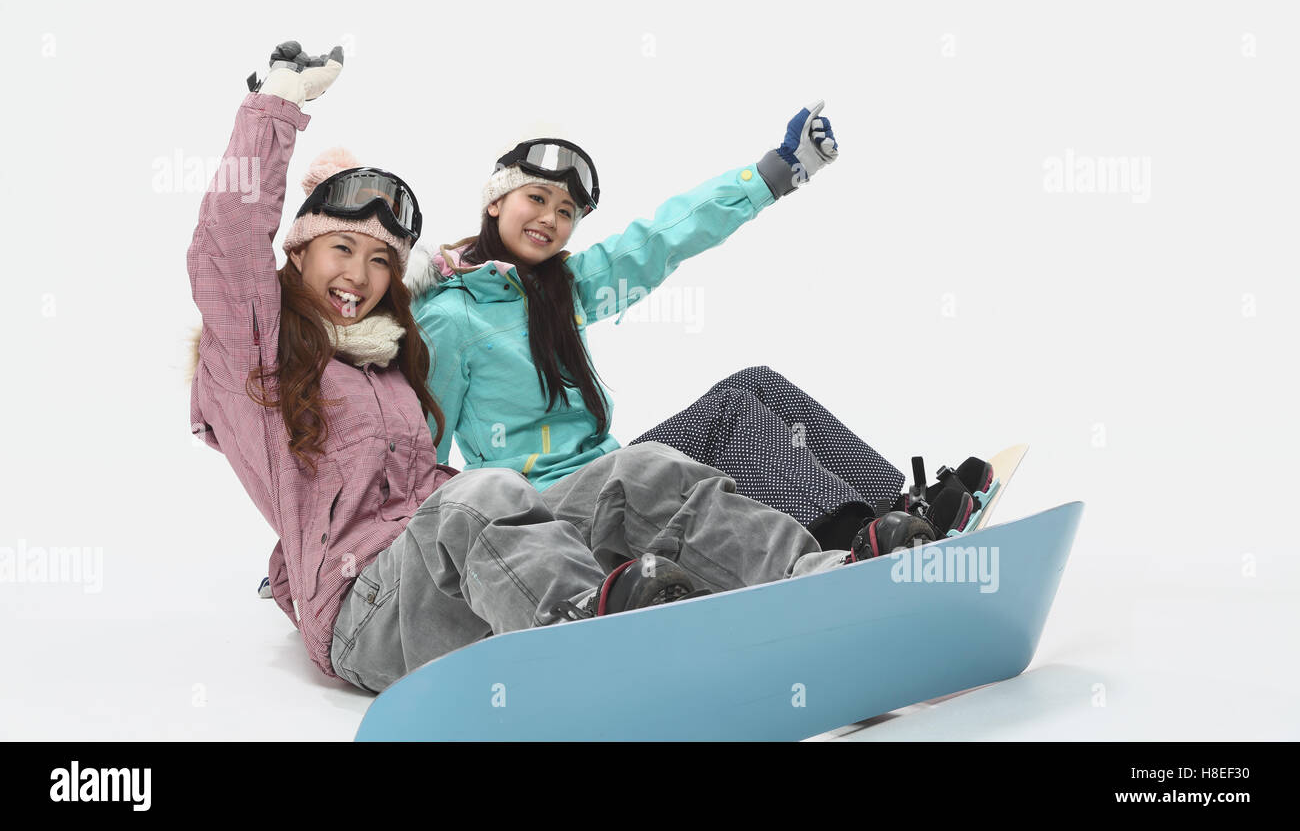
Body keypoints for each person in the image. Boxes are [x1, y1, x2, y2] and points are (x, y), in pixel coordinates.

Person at [190, 41, 903, 693]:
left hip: (462, 570)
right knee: (481, 493)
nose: (360, 273)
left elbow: (653, 244)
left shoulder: (396, 359)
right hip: (364, 613)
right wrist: (275, 103)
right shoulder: (260, 356)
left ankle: (827, 587)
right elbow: (226, 244)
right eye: (340, 250)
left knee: (642, 469)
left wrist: (772, 175)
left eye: (380, 259)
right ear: (297, 254)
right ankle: (592, 648)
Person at [404, 116, 992, 553]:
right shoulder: (450, 317)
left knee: (756, 387)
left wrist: (768, 179)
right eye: (537, 198)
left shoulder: (564, 289)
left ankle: (900, 510)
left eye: (566, 211)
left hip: (614, 479)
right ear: (496, 200)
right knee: (723, 422)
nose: (550, 220)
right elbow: (420, 449)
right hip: (550, 511)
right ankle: (849, 536)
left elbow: (663, 237)